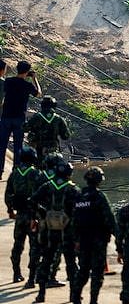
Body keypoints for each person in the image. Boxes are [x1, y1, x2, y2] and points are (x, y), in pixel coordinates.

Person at [30, 160, 79, 303]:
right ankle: (73, 296)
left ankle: (41, 294)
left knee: (46, 261)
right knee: (71, 263)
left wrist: (42, 213)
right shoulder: (73, 190)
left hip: (50, 231)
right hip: (67, 232)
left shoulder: (47, 186)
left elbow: (32, 201)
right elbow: (80, 211)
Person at [70, 166, 115, 304]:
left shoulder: (79, 196)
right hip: (98, 241)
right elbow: (110, 220)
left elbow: (73, 219)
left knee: (83, 270)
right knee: (97, 273)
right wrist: (119, 239)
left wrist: (76, 239)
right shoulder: (100, 197)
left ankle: (76, 297)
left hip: (83, 241)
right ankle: (93, 300)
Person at [5, 145, 44, 286]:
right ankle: (32, 278)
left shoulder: (14, 173)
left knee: (18, 245)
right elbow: (41, 195)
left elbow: (8, 193)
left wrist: (10, 210)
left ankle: (16, 273)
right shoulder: (36, 174)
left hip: (20, 215)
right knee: (35, 247)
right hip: (33, 215)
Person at [0, 60, 41, 177]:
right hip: (19, 119)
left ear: (17, 69)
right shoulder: (27, 85)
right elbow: (38, 93)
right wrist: (34, 79)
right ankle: (16, 171)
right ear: (28, 71)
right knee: (18, 146)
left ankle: (0, 170)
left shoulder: (8, 81)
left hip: (6, 117)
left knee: (2, 145)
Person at [24, 96, 70, 164]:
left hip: (37, 148)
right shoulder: (59, 119)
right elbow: (66, 136)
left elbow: (25, 129)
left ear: (42, 105)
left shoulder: (37, 117)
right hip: (52, 149)